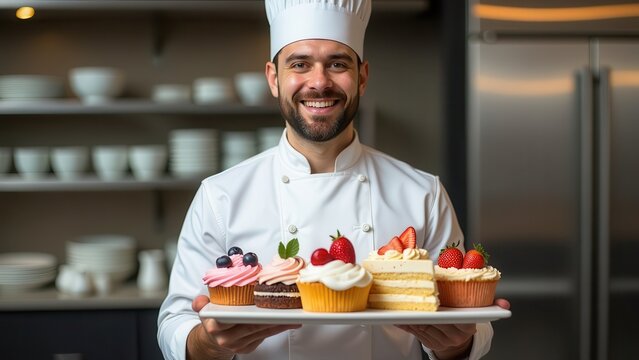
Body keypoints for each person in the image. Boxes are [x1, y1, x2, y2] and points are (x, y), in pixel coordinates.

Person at [157, 0, 510, 359]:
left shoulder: (423, 193)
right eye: (299, 64)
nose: (319, 82)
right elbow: (176, 323)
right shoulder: (220, 196)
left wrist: (458, 344)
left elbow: (469, 325)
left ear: (362, 77)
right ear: (273, 78)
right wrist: (208, 343)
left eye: (337, 64)